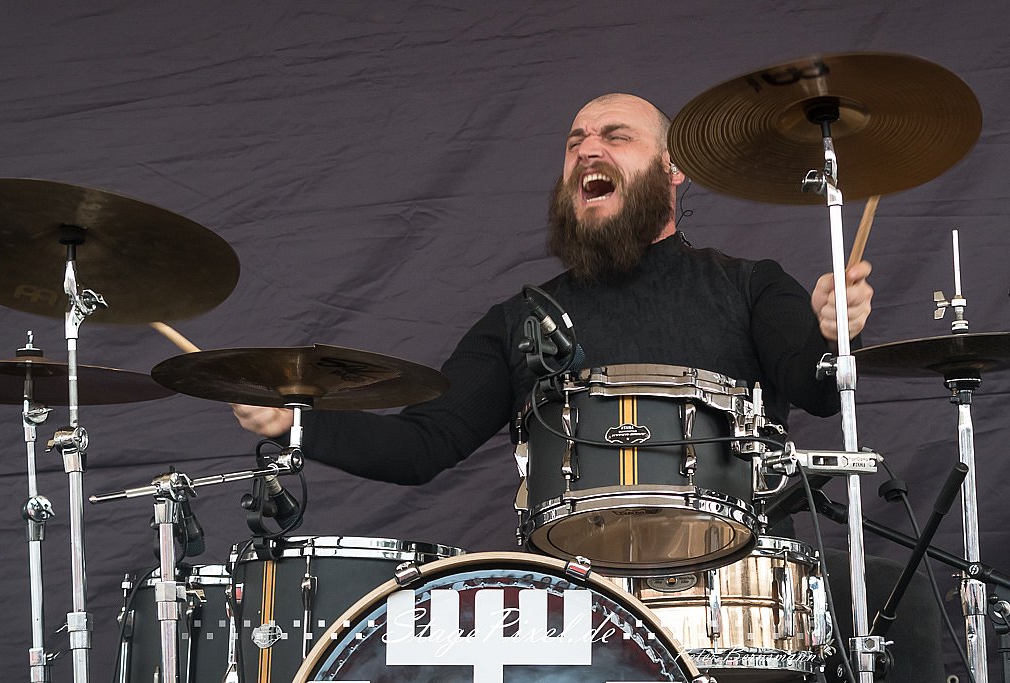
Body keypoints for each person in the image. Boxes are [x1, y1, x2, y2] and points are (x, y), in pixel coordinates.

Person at [234, 94, 945, 680]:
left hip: (740, 590)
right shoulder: (520, 319)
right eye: (575, 141)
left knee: (895, 595)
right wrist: (298, 420)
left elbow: (817, 389)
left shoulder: (749, 285)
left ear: (673, 169)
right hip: (581, 602)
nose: (587, 149)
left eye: (615, 135)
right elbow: (425, 444)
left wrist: (834, 336)